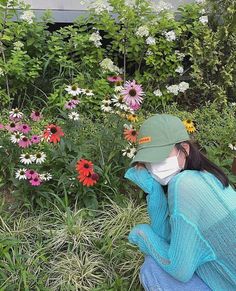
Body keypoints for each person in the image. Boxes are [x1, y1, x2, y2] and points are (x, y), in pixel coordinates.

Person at [124, 114, 236, 291]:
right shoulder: (207, 176)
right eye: (148, 159)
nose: (153, 165)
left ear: (184, 149)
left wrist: (141, 234)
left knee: (152, 269)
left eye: (159, 155)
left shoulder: (184, 184)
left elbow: (179, 269)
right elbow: (169, 239)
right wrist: (153, 190)